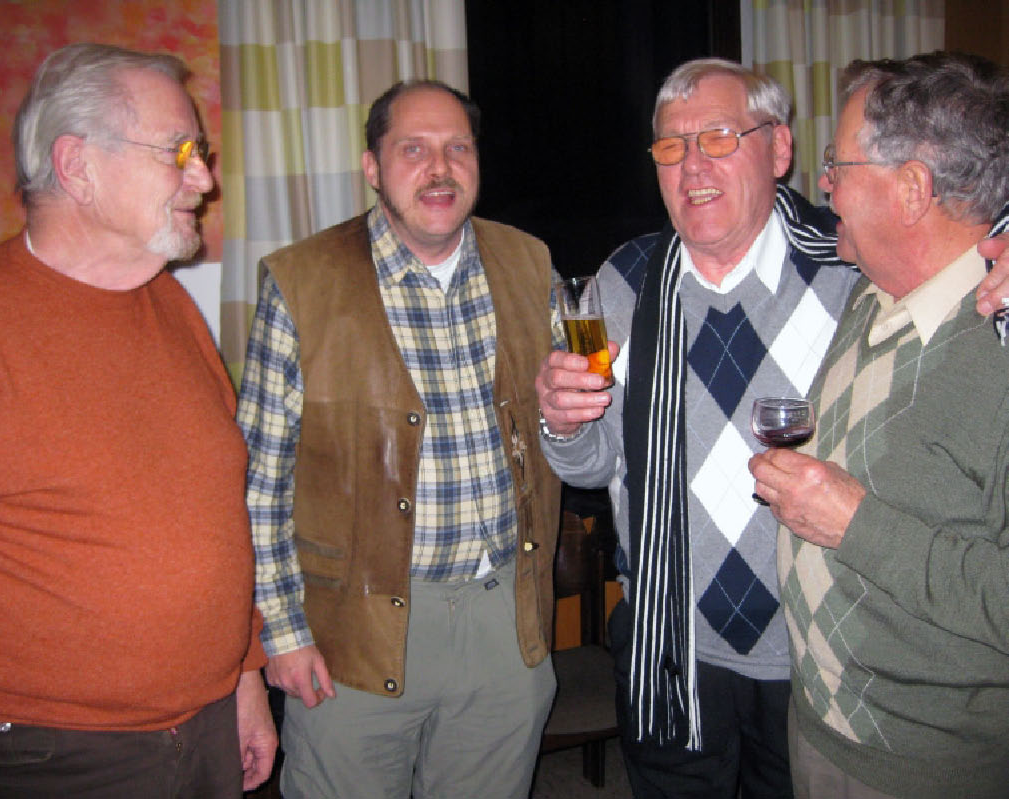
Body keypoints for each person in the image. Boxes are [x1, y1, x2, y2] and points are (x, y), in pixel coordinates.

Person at [535, 58, 1009, 799]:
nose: (692, 166)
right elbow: (593, 465)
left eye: (719, 138)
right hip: (670, 644)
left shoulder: (853, 267)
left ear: (779, 149)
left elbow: (957, 237)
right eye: (671, 147)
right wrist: (562, 422)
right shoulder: (623, 280)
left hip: (814, 660)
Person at [0, 44, 276, 799]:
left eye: (200, 154)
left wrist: (244, 678)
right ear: (77, 167)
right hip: (52, 756)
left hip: (203, 726)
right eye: (178, 152)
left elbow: (218, 515)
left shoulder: (171, 305)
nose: (204, 179)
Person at [236, 80, 560, 799]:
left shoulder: (529, 263)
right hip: (352, 635)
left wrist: (570, 419)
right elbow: (259, 482)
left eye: (457, 148)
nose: (439, 168)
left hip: (506, 622)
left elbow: (562, 431)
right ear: (372, 167)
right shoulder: (302, 281)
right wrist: (281, 634)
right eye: (413, 150)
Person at [749, 52, 1009, 799]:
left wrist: (855, 524)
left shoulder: (999, 348)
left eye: (838, 165)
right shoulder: (872, 292)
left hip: (928, 767)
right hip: (821, 725)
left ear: (913, 189)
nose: (823, 184)